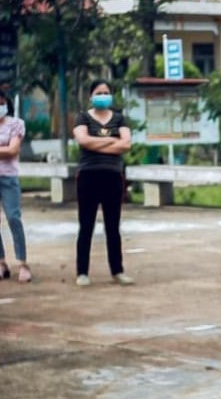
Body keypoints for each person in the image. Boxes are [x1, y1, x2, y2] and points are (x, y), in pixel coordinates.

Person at [72, 79, 134, 287]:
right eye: (98, 93)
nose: (103, 96)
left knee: (113, 226)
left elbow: (126, 144)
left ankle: (117, 271)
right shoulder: (83, 117)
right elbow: (83, 141)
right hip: (88, 176)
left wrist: (96, 143)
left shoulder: (119, 118)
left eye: (106, 92)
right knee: (86, 225)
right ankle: (82, 272)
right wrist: (112, 141)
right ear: (91, 96)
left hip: (113, 176)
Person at [0, 89, 31, 283]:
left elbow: (12, 150)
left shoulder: (16, 124)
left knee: (13, 218)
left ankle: (23, 262)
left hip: (8, 178)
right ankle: (1, 262)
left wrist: (7, 150)